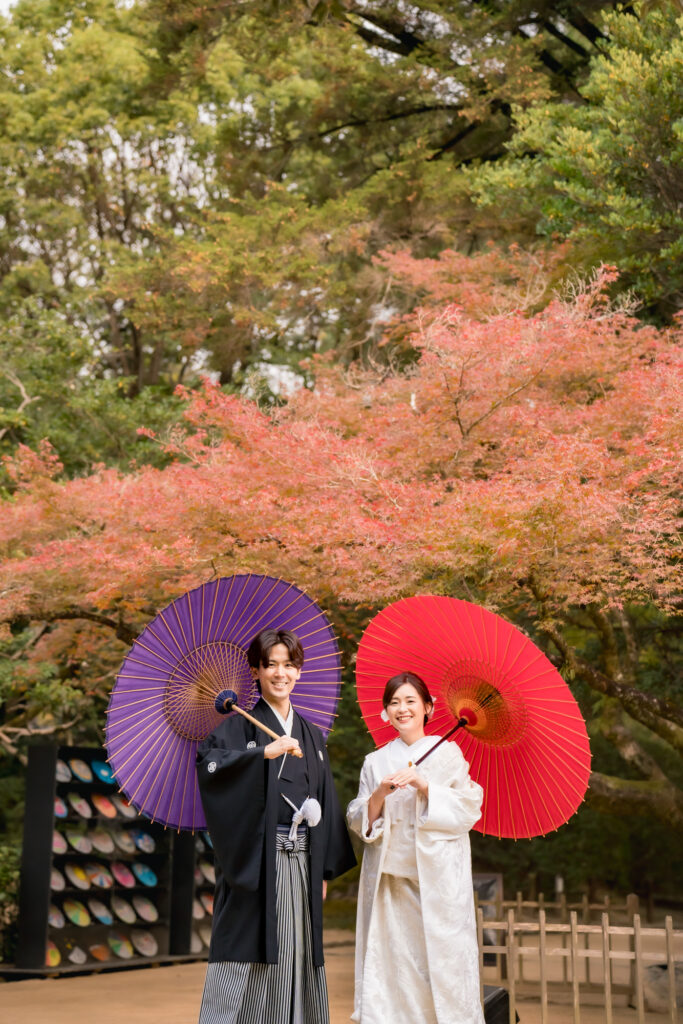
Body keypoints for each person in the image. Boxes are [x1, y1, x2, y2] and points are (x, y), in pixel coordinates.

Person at [196, 628, 356, 1024]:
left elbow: (326, 800)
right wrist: (261, 754)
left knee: (297, 949)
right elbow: (210, 768)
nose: (280, 673)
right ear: (256, 670)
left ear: (299, 671)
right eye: (270, 665)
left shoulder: (311, 735)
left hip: (303, 861)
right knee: (250, 947)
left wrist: (321, 868)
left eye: (288, 665)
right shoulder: (237, 727)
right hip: (257, 862)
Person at [347, 671, 485, 1024]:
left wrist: (426, 786)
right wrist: (379, 794)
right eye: (394, 703)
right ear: (385, 712)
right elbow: (357, 817)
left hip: (436, 886)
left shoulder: (448, 754)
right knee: (391, 972)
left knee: (439, 970)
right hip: (391, 885)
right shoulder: (375, 761)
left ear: (428, 707)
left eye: (410, 701)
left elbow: (469, 807)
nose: (402, 709)